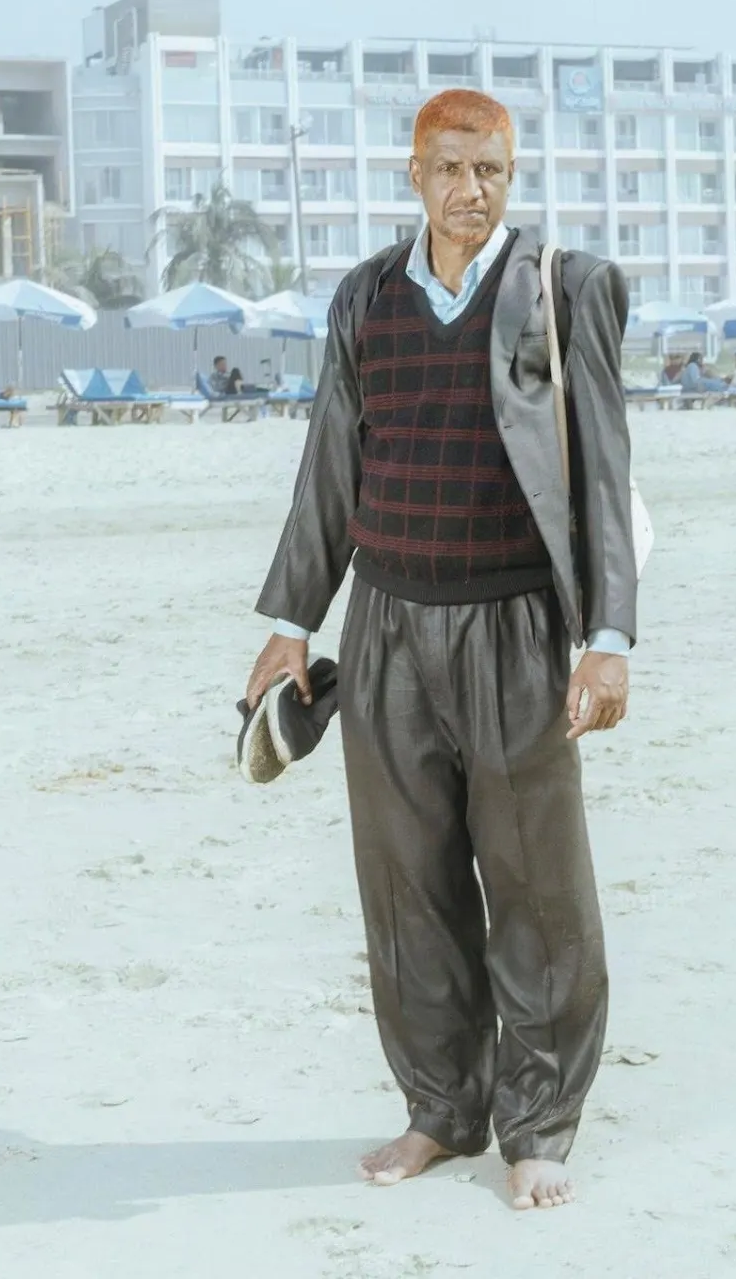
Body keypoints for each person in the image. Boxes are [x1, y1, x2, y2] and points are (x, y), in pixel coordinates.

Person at [244, 88, 636, 1212]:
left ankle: (540, 1120)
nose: (473, 193)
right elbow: (331, 464)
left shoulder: (564, 290)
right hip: (384, 625)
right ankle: (439, 1112)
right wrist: (291, 627)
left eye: (494, 173)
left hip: (516, 624)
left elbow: (602, 467)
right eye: (453, 170)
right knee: (405, 885)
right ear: (413, 173)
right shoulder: (366, 296)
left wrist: (605, 640)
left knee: (535, 881)